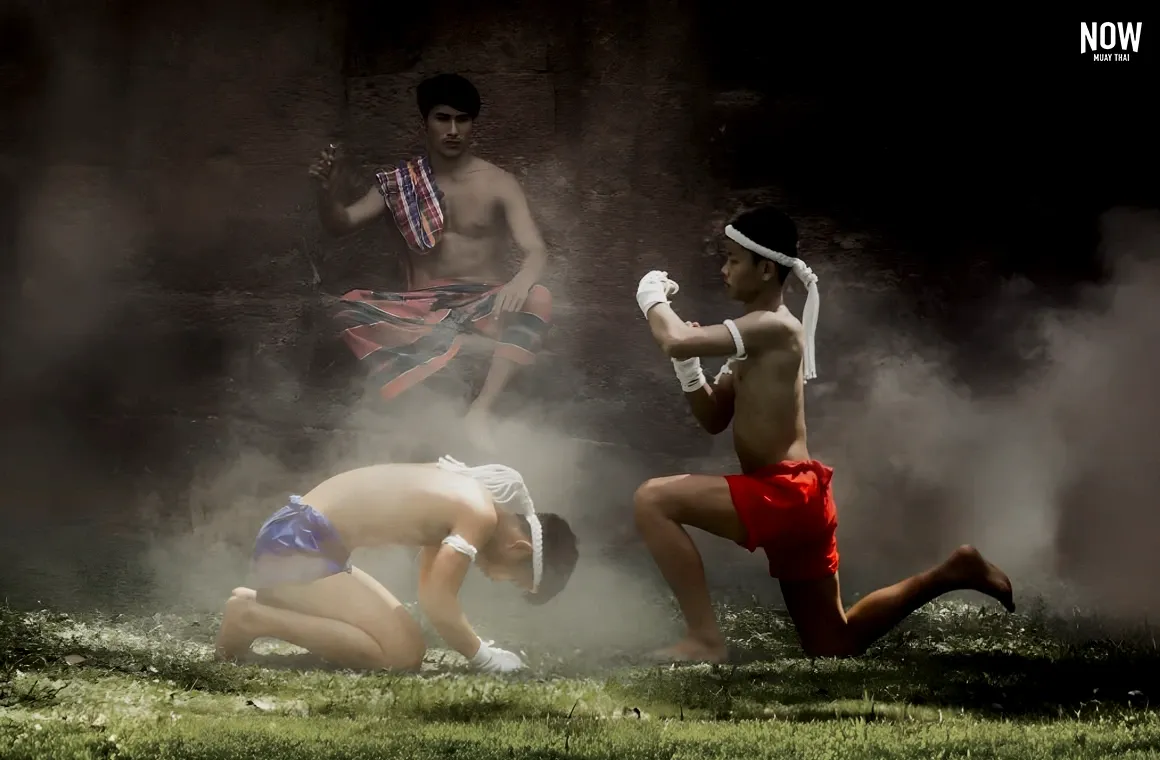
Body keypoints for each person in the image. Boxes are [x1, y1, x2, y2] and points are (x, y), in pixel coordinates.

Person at [631, 205, 1015, 663]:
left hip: (784, 494)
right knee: (834, 645)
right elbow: (714, 416)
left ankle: (704, 640)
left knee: (652, 500)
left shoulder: (773, 326)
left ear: (766, 268)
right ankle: (953, 571)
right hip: (798, 500)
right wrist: (689, 369)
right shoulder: (757, 335)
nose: (724, 269)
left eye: (733, 259)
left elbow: (673, 337)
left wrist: (651, 297)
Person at [309, 73, 553, 451]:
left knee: (538, 296)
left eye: (463, 119)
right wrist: (326, 193)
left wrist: (521, 281)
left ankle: (480, 411)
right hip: (421, 309)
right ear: (426, 122)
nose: (453, 129)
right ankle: (421, 405)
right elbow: (341, 223)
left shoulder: (499, 182)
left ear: (473, 124)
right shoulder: (400, 182)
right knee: (346, 309)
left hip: (484, 304)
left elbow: (536, 250)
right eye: (443, 118)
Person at [214, 456, 579, 673]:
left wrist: (472, 642)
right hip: (299, 544)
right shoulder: (479, 513)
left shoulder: (467, 496)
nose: (496, 579)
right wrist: (484, 657)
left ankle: (264, 603)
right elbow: (439, 602)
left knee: (407, 645)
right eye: (514, 580)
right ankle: (251, 617)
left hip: (298, 537)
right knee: (401, 656)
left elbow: (429, 590)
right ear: (519, 548)